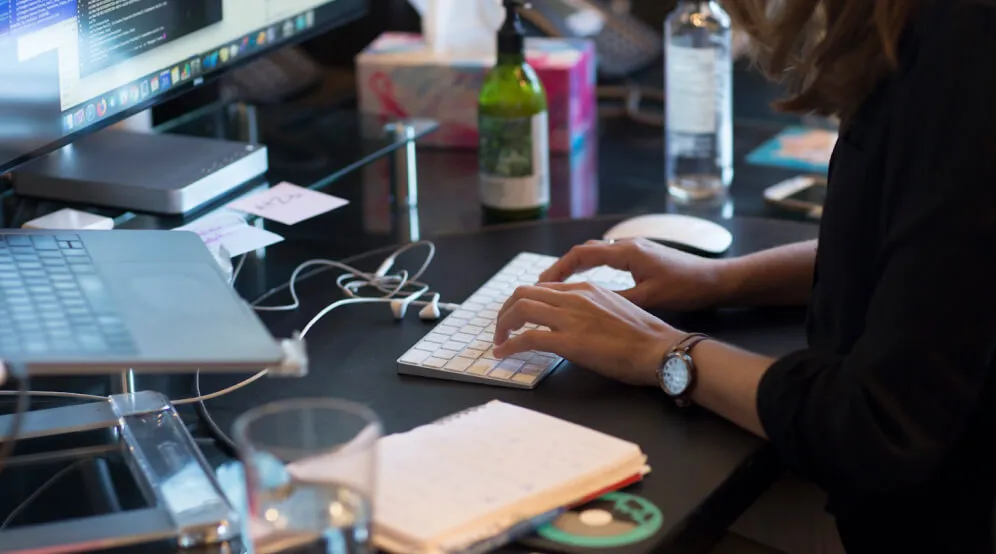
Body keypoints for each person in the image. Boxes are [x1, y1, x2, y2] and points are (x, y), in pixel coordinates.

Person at [493, 0, 996, 552]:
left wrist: (663, 353)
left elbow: (878, 424)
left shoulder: (967, 45)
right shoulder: (918, 30)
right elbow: (927, 265)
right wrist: (719, 280)